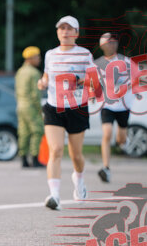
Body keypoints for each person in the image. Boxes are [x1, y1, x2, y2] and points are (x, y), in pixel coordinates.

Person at [38, 16, 96, 210]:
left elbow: (94, 81)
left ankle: (79, 179)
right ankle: (54, 196)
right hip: (53, 107)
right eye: (61, 28)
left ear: (76, 33)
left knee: (76, 156)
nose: (65, 32)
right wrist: (42, 82)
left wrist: (80, 80)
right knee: (55, 150)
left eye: (69, 28)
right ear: (57, 32)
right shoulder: (50, 54)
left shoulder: (84, 55)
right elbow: (46, 76)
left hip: (76, 107)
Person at [95, 32, 134, 183]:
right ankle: (106, 167)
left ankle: (123, 141)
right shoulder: (97, 63)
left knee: (121, 138)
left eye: (114, 42)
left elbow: (138, 79)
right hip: (107, 105)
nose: (111, 45)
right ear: (102, 45)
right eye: (108, 42)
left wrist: (124, 87)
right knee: (107, 133)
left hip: (123, 106)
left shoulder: (126, 62)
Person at [15, 46, 45, 168]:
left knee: (23, 132)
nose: (39, 59)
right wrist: (40, 109)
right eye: (37, 57)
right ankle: (35, 158)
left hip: (20, 105)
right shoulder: (34, 73)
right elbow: (35, 94)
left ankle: (23, 159)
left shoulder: (20, 71)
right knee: (37, 131)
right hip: (31, 106)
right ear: (30, 58)